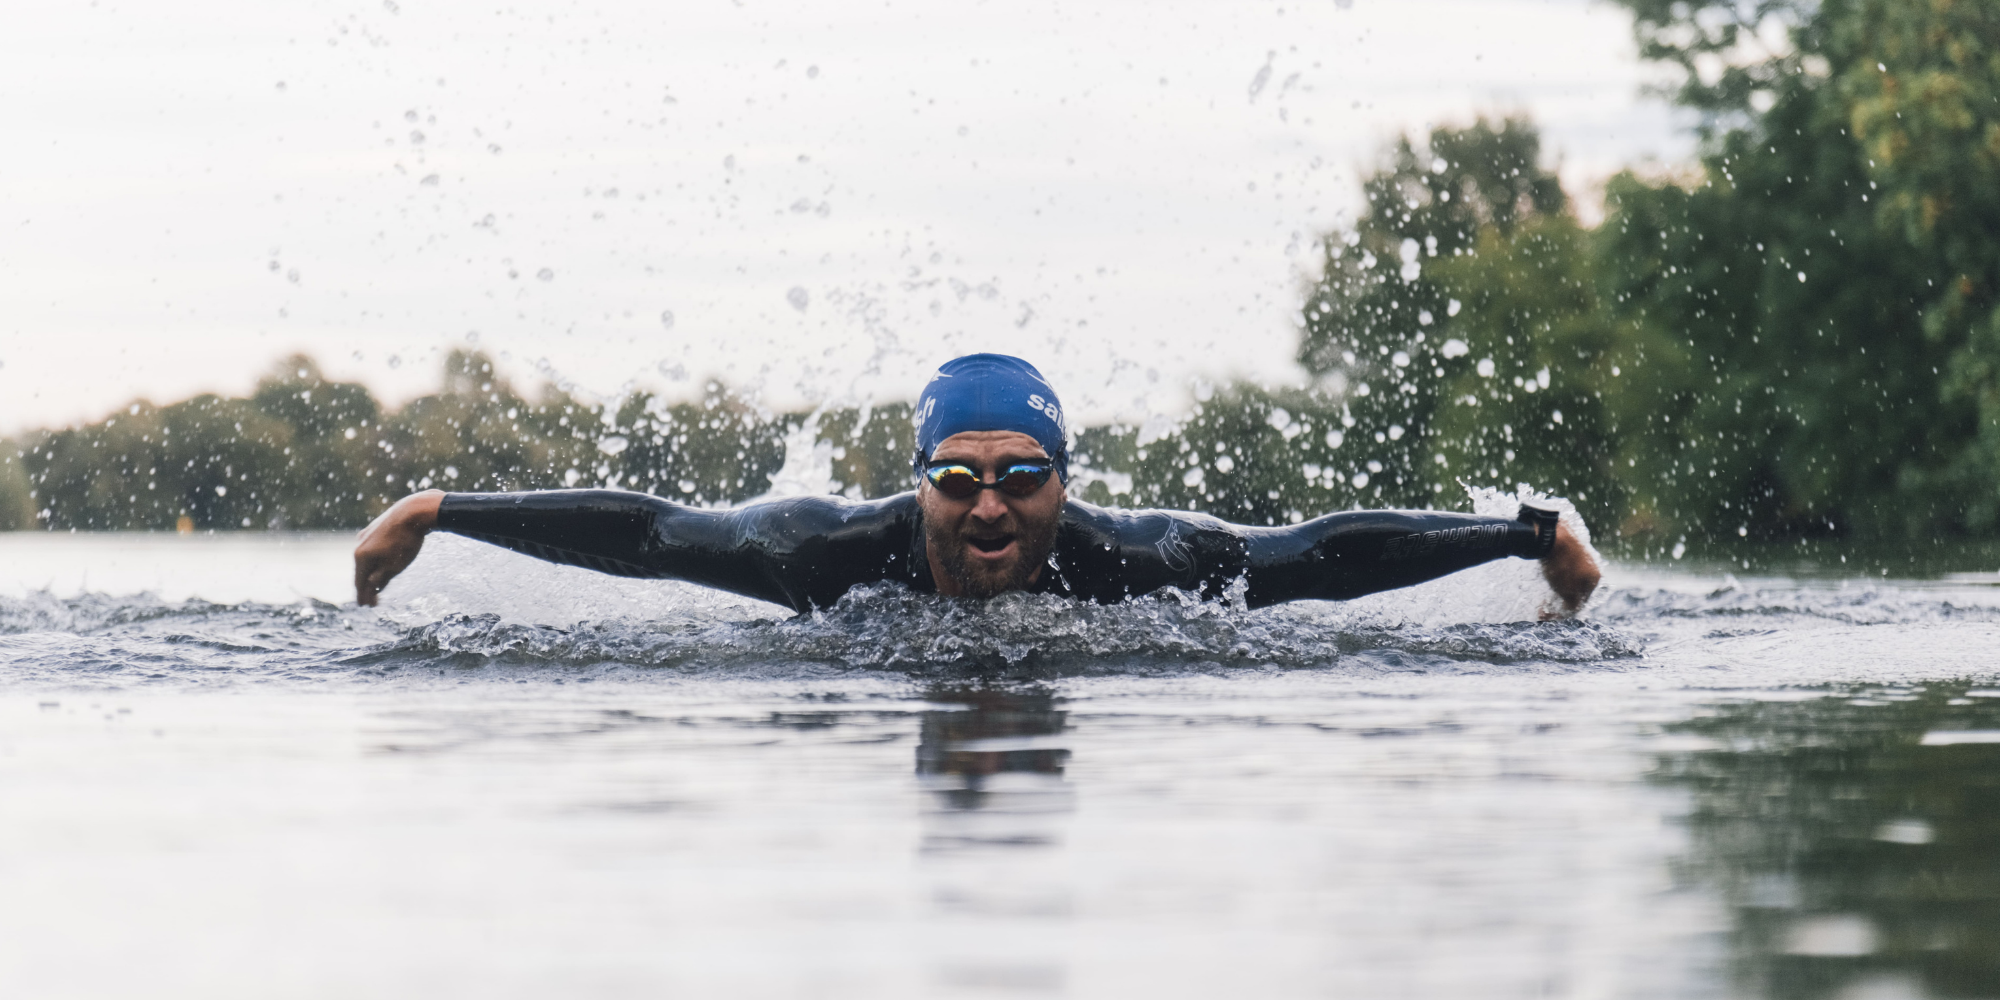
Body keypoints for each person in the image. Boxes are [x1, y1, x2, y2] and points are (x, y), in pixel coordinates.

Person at [354, 354, 1600, 615]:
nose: (988, 504)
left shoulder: (1141, 561)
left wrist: (1523, 532)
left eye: (1019, 476)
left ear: (1063, 480)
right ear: (919, 481)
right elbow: (653, 532)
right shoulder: (820, 551)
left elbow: (1320, 554)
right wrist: (442, 510)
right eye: (956, 476)